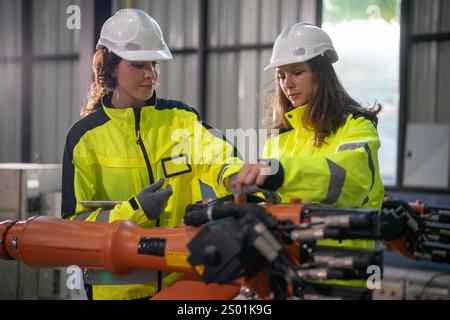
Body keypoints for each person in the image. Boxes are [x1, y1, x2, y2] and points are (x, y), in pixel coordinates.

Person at [61, 8, 241, 300]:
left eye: (155, 63)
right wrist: (136, 211)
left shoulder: (180, 119)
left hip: (180, 288)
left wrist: (238, 178)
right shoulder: (84, 138)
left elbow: (216, 154)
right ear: (111, 67)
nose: (151, 74)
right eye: (138, 64)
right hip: (117, 291)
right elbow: (74, 230)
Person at [231, 23, 384, 291]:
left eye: (297, 72)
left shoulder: (356, 126)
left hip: (342, 280)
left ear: (321, 74)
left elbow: (352, 180)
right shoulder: (280, 140)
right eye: (281, 75)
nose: (287, 84)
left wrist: (281, 173)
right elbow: (273, 205)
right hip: (288, 277)